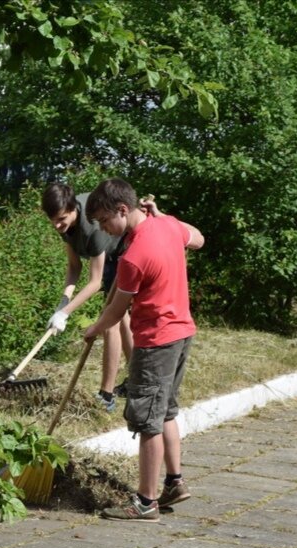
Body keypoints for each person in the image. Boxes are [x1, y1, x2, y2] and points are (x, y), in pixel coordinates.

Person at [83, 177, 205, 521]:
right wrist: (163, 215)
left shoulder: (133, 256)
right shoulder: (166, 226)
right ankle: (175, 483)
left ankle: (145, 502)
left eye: (106, 221)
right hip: (183, 333)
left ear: (123, 209)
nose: (105, 230)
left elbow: (117, 310)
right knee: (166, 410)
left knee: (147, 421)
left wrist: (93, 329)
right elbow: (198, 238)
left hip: (156, 342)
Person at [41, 182, 133, 412]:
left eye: (61, 219)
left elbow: (95, 282)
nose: (57, 225)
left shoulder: (92, 228)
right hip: (109, 257)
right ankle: (137, 380)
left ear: (73, 210)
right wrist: (62, 303)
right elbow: (74, 268)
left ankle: (107, 394)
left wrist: (65, 313)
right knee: (122, 320)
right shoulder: (65, 225)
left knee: (111, 321)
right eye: (52, 220)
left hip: (123, 251)